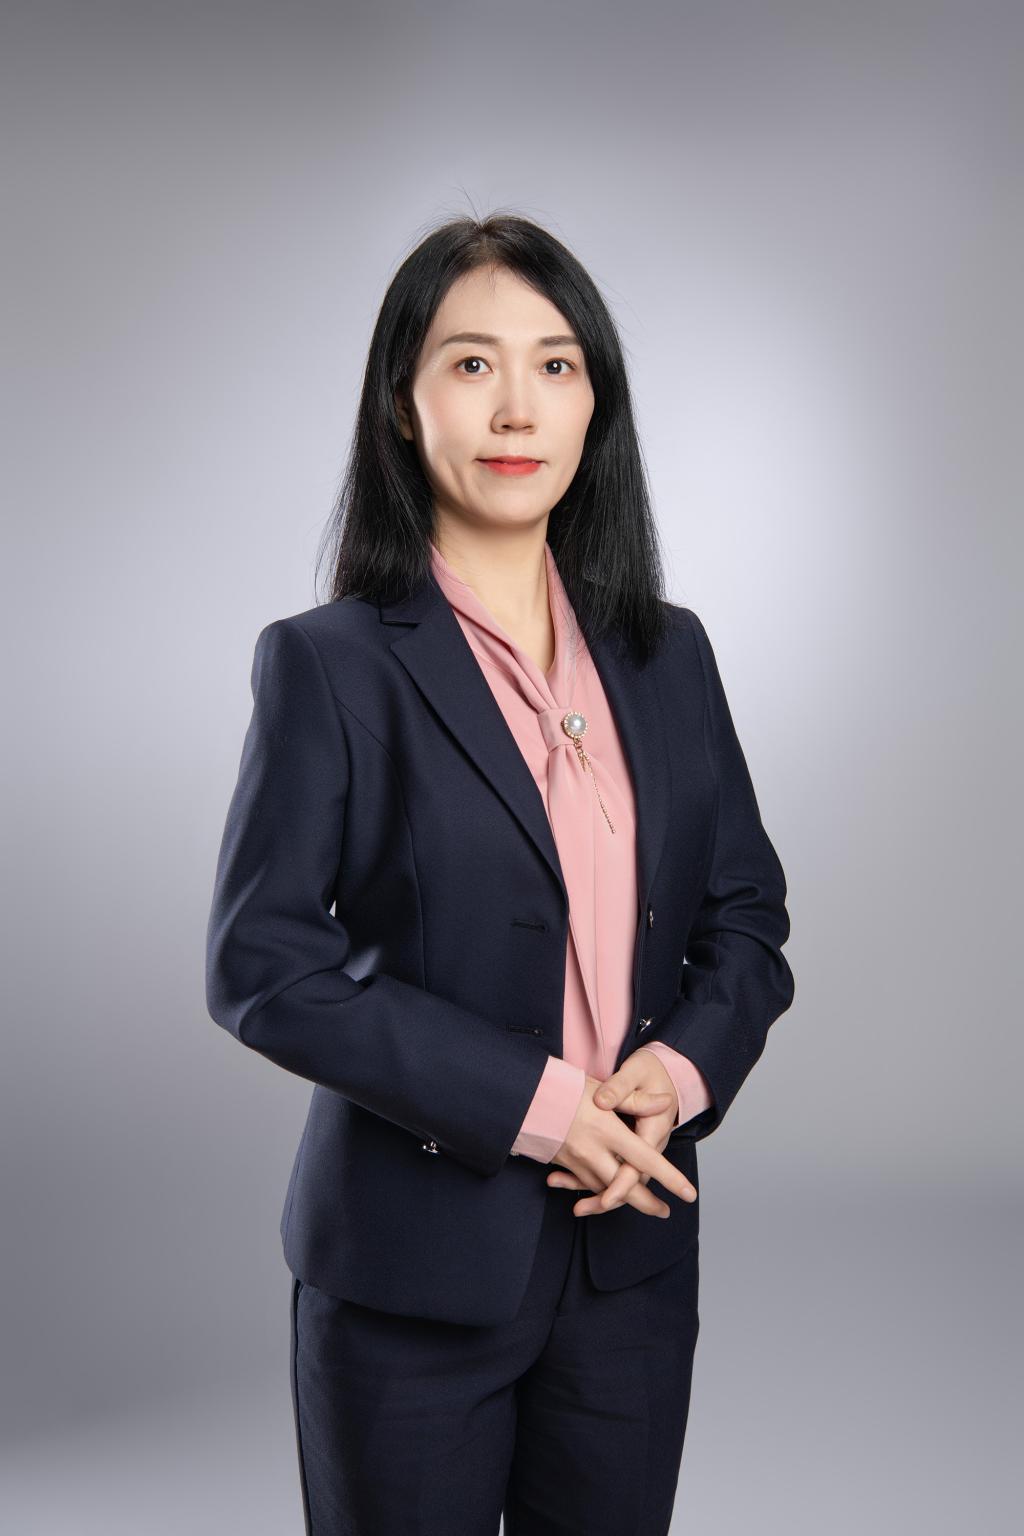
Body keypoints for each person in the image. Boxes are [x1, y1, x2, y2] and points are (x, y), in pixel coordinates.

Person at [205, 213, 795, 1536]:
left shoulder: (670, 654)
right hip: (409, 1272)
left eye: (556, 364)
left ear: (597, 408)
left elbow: (746, 920)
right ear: (402, 404)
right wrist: (534, 1104)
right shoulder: (329, 664)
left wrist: (680, 1072)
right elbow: (264, 968)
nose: (517, 406)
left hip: (630, 1253)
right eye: (471, 363)